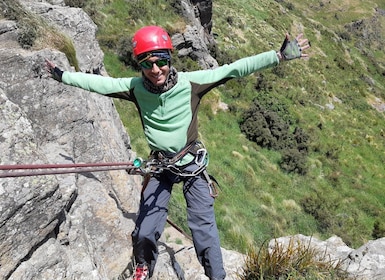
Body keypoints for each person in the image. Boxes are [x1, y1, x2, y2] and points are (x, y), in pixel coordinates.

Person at [46, 25, 310, 280]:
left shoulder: (191, 83)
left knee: (204, 231)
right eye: (146, 64)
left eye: (160, 61)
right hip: (160, 167)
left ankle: (216, 277)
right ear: (140, 65)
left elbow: (235, 69)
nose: (155, 70)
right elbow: (98, 83)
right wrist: (62, 75)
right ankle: (144, 267)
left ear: (169, 59)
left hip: (191, 165)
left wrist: (277, 56)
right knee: (145, 230)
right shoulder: (134, 88)